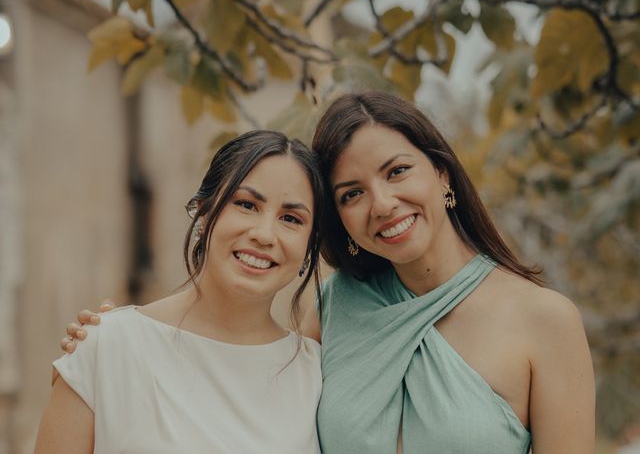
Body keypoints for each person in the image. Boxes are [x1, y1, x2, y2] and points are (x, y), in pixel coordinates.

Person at [61, 92, 595, 453]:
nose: (382, 203)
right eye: (351, 194)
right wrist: (118, 341)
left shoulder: (544, 321)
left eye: (398, 171)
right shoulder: (337, 307)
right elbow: (245, 389)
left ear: (442, 173)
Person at [35, 130, 325, 454]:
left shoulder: (317, 375)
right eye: (246, 204)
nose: (264, 234)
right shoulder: (106, 348)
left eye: (291, 218)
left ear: (310, 247)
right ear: (204, 211)